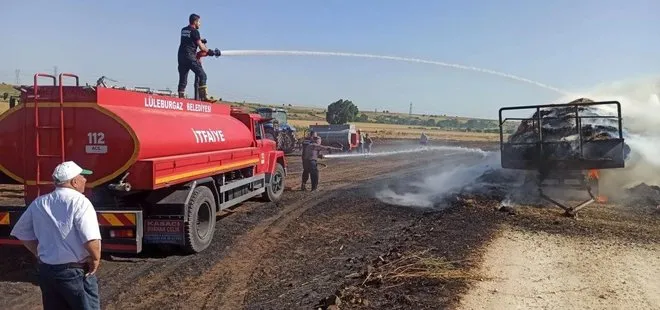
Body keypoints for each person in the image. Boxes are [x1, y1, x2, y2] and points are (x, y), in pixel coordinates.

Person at [10, 161, 102, 310]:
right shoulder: (81, 202)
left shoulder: (39, 202)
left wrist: (39, 253)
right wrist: (95, 259)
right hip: (75, 272)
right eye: (83, 177)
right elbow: (91, 238)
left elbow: (22, 232)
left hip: (47, 271)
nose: (85, 180)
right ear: (74, 181)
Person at [177, 13, 217, 101]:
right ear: (195, 22)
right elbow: (201, 47)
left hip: (181, 56)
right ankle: (204, 97)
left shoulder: (183, 30)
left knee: (183, 79)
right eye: (199, 22)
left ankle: (181, 99)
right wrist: (211, 51)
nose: (200, 24)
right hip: (190, 56)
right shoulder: (195, 31)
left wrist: (201, 39)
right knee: (202, 75)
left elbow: (190, 38)